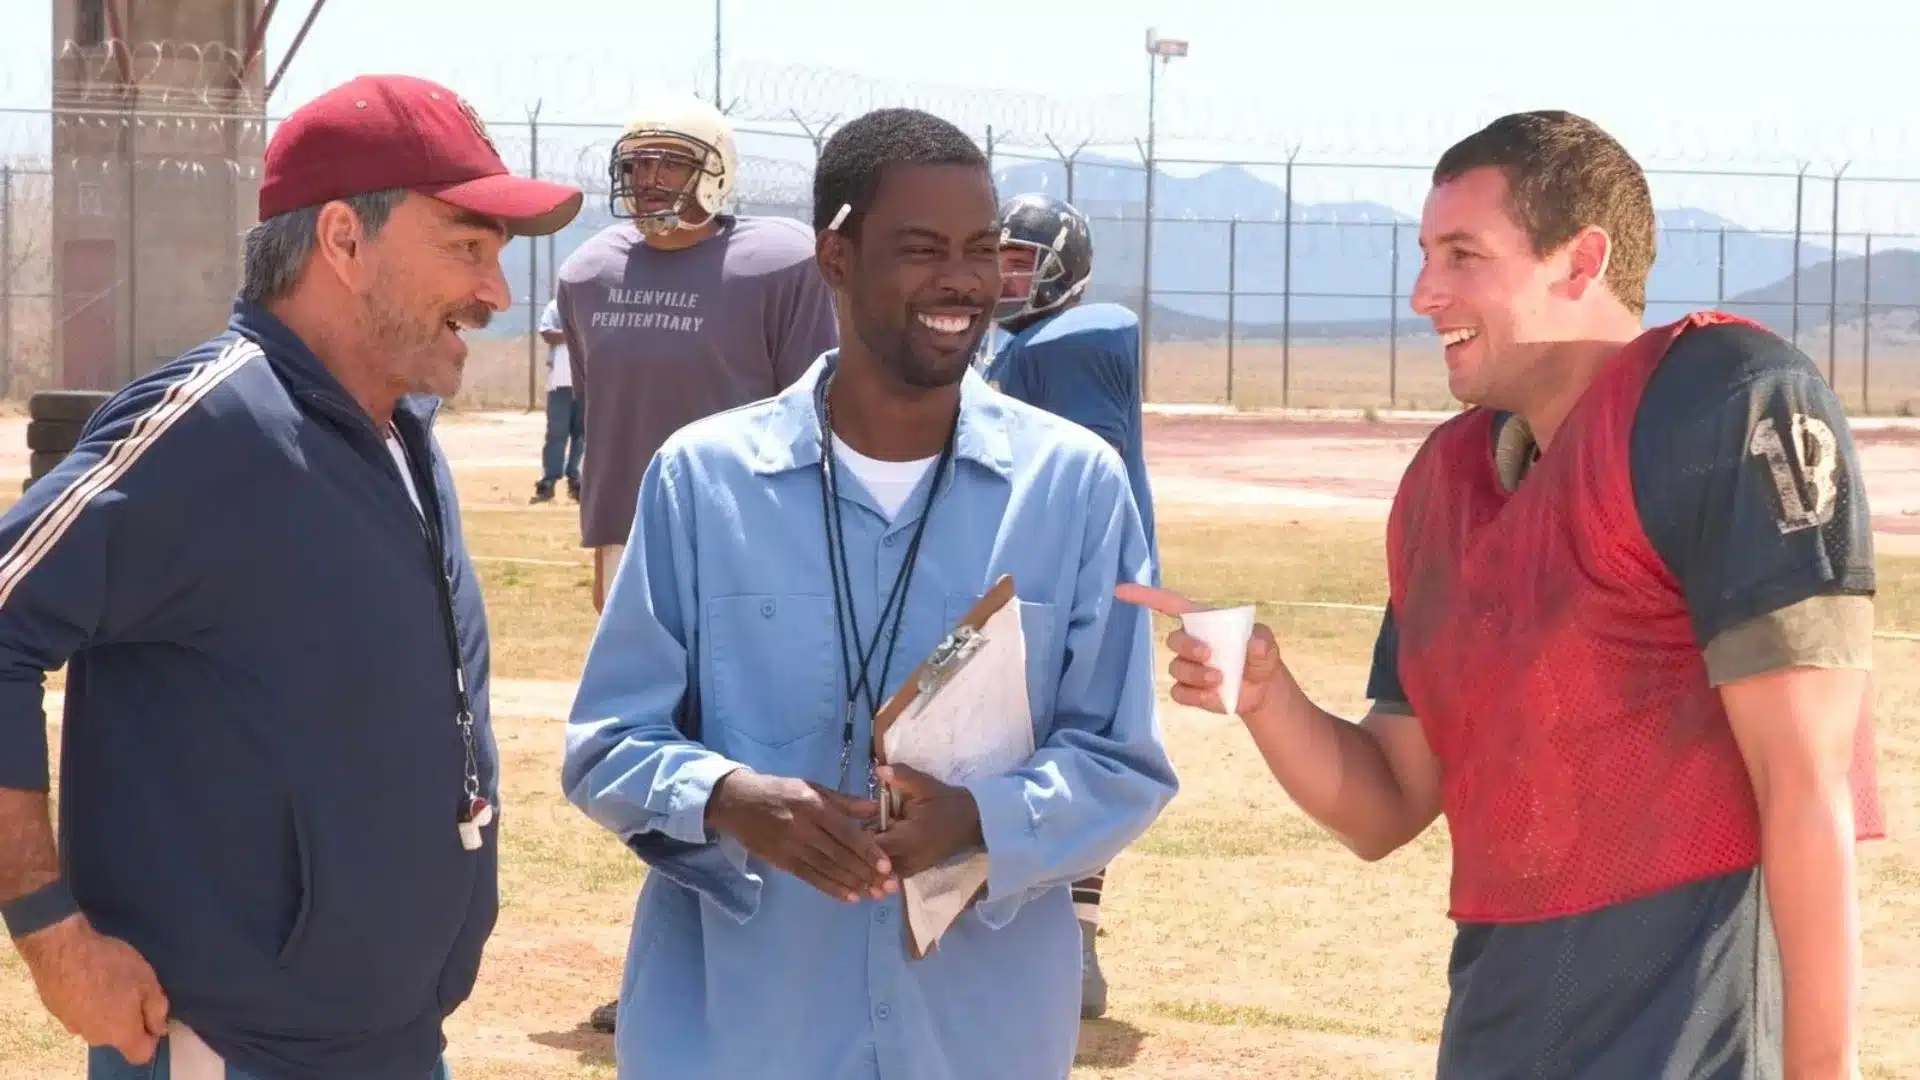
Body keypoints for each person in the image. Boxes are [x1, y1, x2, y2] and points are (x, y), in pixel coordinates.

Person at [1124, 110, 1884, 1079]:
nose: (1422, 292)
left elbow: (1804, 781)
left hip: (1695, 1033)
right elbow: (1385, 806)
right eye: (1424, 254)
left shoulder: (1724, 399)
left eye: (1462, 254)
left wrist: (1822, 1070)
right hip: (1500, 1025)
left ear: (1581, 260)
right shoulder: (1448, 484)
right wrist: (1268, 697)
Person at [560, 106, 1178, 1079]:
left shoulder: (1073, 490)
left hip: (978, 1033)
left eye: (981, 250)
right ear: (835, 258)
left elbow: (1123, 763)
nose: (961, 280)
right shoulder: (702, 482)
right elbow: (605, 746)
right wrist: (726, 797)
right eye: (921, 248)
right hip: (738, 1030)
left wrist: (980, 820)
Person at [0, 73, 582, 1080]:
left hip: (396, 1041)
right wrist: (50, 927)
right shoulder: (211, 428)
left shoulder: (400, 430)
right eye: (465, 249)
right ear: (344, 243)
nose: (494, 293)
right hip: (231, 1050)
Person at [554, 93, 838, 620]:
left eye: (669, 163)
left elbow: (814, 413)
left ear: (715, 171)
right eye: (636, 164)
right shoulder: (588, 273)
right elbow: (605, 419)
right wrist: (605, 548)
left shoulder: (780, 264)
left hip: (748, 524)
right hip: (630, 526)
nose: (647, 179)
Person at [985, 191, 1157, 1020]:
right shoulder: (1010, 347)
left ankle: (1075, 942)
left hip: (1078, 583)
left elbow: (1086, 477)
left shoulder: (1075, 339)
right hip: (1046, 578)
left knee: (1076, 748)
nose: (1005, 275)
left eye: (1022, 260)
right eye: (999, 257)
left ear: (1065, 272)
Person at [531, 297, 584, 504]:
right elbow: (547, 334)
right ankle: (548, 482)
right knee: (556, 434)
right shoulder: (555, 307)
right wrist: (576, 334)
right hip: (559, 384)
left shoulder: (593, 305)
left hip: (586, 383)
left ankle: (577, 480)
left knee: (582, 435)